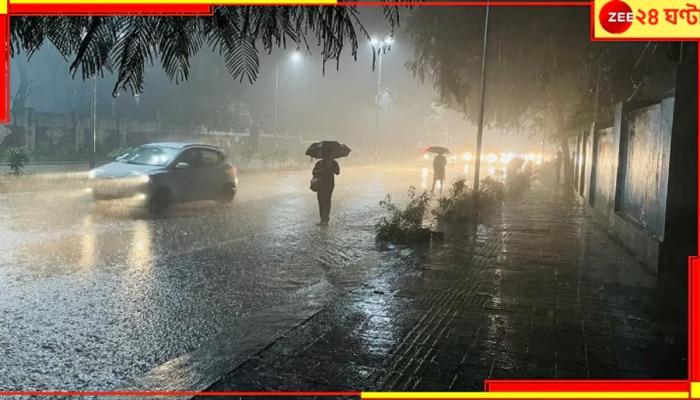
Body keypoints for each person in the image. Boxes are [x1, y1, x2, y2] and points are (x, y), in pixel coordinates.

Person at [312, 157, 340, 226]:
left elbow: (337, 172)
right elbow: (313, 172)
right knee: (321, 201)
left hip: (328, 185)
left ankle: (325, 219)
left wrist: (331, 168)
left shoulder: (333, 163)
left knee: (326, 201)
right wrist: (321, 171)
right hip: (321, 184)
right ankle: (322, 219)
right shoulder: (319, 163)